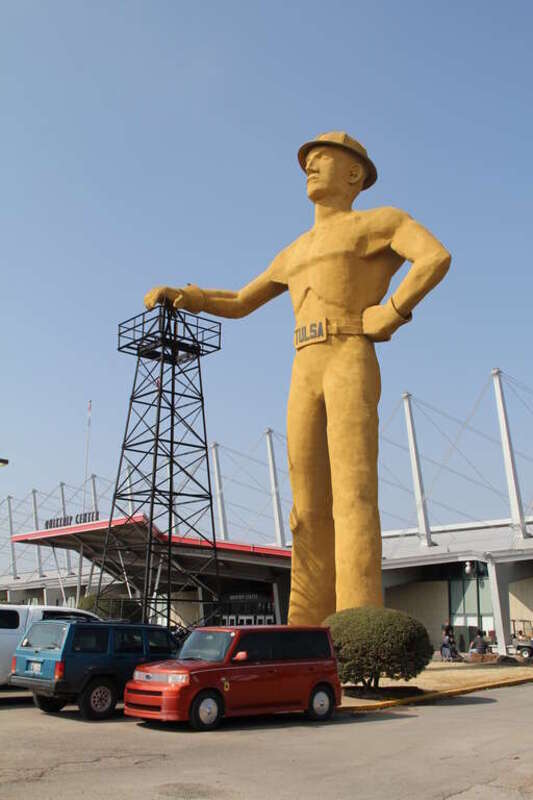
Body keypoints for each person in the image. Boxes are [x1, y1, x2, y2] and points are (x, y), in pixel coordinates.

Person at [144, 131, 451, 625]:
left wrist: (393, 311)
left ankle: (356, 624)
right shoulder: (296, 250)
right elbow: (241, 301)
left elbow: (434, 256)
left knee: (354, 495)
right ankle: (305, 626)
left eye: (321, 158)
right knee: (305, 507)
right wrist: (190, 296)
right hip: (303, 363)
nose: (310, 166)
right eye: (308, 160)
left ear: (354, 173)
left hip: (349, 352)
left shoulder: (379, 222)